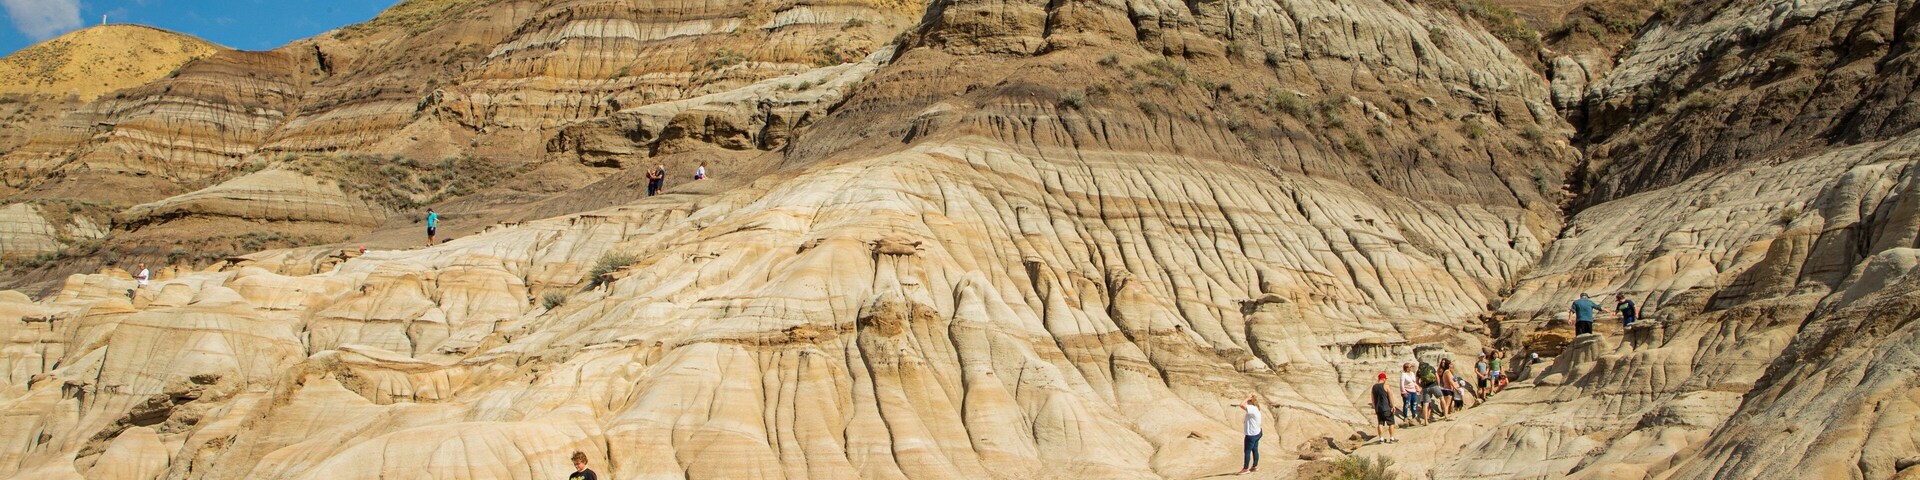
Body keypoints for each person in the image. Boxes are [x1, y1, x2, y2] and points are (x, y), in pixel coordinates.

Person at [1236, 395, 1262, 474]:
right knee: (1255, 449)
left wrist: (1247, 398)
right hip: (1257, 432)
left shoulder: (1252, 409)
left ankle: (1245, 469)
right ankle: (1254, 466)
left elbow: (1241, 405)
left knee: (1247, 451)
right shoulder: (1256, 408)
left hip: (1251, 435)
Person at [1370, 372, 1398, 443]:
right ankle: (1392, 438)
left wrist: (1375, 407)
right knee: (1391, 423)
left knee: (1380, 423)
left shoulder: (1374, 387)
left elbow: (1372, 399)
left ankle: (1381, 438)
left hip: (1378, 409)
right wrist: (1393, 406)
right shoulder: (1386, 386)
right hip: (1387, 408)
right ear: (1384, 379)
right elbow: (1390, 396)